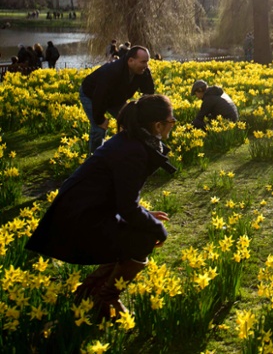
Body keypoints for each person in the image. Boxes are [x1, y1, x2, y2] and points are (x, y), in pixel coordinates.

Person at [25, 94, 177, 320]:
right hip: (80, 221)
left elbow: (119, 199)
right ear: (157, 125)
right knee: (143, 238)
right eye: (171, 119)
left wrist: (144, 215)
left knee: (139, 230)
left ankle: (89, 290)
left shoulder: (132, 141)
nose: (174, 123)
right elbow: (126, 207)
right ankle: (105, 298)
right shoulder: (134, 151)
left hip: (80, 212)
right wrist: (156, 228)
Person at [80, 45, 155, 153]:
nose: (146, 65)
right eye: (143, 62)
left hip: (116, 98)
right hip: (91, 95)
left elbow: (148, 93)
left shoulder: (143, 71)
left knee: (131, 123)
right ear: (130, 61)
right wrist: (100, 119)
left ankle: (127, 153)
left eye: (147, 62)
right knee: (99, 129)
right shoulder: (112, 72)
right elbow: (99, 96)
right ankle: (95, 160)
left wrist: (141, 113)